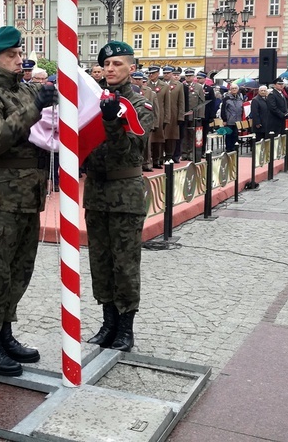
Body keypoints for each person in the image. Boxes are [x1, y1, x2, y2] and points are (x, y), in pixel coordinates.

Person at [0, 25, 56, 376]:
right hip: (2, 194)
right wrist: (33, 107)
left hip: (29, 194)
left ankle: (5, 332)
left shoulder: (25, 90)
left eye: (20, 54)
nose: (19, 60)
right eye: (11, 56)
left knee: (21, 269)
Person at [85, 41, 153, 352]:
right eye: (106, 64)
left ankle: (126, 327)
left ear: (131, 68)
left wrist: (112, 121)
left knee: (124, 263)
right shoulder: (93, 100)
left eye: (117, 64)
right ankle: (108, 321)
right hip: (97, 192)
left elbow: (130, 148)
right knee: (100, 262)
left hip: (125, 194)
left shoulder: (140, 104)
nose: (110, 69)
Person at [146, 66, 169, 168]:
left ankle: (157, 160)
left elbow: (167, 104)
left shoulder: (164, 86)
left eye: (153, 73)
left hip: (160, 115)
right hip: (148, 115)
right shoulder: (146, 85)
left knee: (158, 139)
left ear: (157, 74)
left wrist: (167, 118)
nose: (151, 75)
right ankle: (149, 160)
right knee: (149, 141)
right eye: (149, 73)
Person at [162, 66, 185, 162]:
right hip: (162, 114)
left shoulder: (178, 85)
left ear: (172, 74)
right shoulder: (160, 84)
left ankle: (170, 155)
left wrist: (180, 116)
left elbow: (181, 102)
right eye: (164, 73)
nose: (166, 75)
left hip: (173, 114)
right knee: (161, 136)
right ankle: (160, 155)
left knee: (171, 136)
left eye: (168, 73)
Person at [220, 83, 244, 152]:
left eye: (235, 88)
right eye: (232, 88)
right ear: (230, 90)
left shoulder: (240, 99)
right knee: (229, 134)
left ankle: (234, 148)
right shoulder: (226, 99)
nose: (234, 90)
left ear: (238, 90)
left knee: (235, 135)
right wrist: (224, 119)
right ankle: (228, 148)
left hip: (237, 120)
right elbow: (223, 110)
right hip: (229, 120)